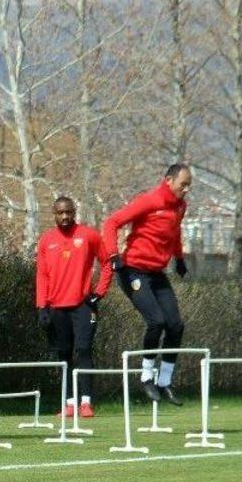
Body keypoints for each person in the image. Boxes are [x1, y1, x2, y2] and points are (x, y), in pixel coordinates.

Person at [102, 164, 192, 405]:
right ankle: (146, 377)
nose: (186, 189)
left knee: (175, 325)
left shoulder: (180, 206)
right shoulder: (149, 201)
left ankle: (165, 381)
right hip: (133, 271)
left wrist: (179, 259)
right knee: (157, 321)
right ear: (168, 180)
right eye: (183, 184)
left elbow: (175, 233)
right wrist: (113, 256)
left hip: (156, 273)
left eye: (189, 185)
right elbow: (111, 223)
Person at [36, 197, 112, 417]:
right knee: (64, 354)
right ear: (54, 214)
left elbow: (107, 264)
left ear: (74, 212)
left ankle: (86, 403)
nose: (65, 216)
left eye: (69, 212)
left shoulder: (89, 235)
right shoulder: (46, 240)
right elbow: (42, 275)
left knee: (84, 350)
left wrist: (98, 294)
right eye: (60, 213)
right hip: (57, 308)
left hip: (83, 306)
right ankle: (69, 404)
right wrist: (42, 306)